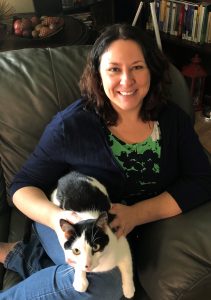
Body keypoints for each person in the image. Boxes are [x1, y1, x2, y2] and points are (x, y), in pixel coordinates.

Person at [0, 23, 211, 299]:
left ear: (152, 71)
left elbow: (202, 179)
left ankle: (20, 256)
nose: (127, 81)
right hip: (68, 219)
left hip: (125, 233)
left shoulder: (173, 121)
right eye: (114, 69)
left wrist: (138, 213)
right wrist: (57, 218)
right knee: (105, 283)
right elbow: (21, 187)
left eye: (137, 67)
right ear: (98, 74)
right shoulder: (71, 125)